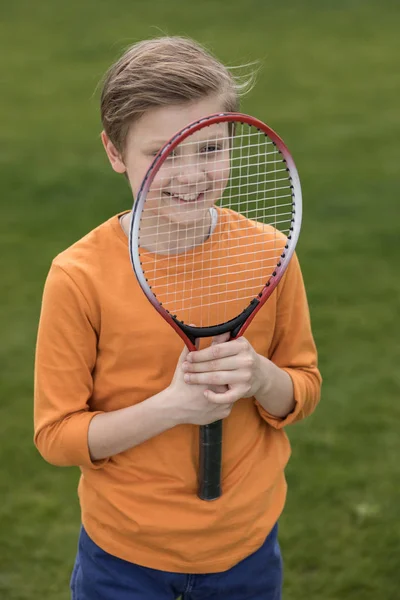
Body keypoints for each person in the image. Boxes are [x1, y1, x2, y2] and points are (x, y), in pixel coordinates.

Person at [34, 36, 322, 600]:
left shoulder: (270, 254)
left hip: (247, 549)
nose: (189, 174)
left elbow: (302, 390)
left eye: (210, 149)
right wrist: (172, 408)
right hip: (123, 558)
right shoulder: (78, 277)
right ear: (115, 153)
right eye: (162, 153)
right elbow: (56, 436)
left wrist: (262, 378)